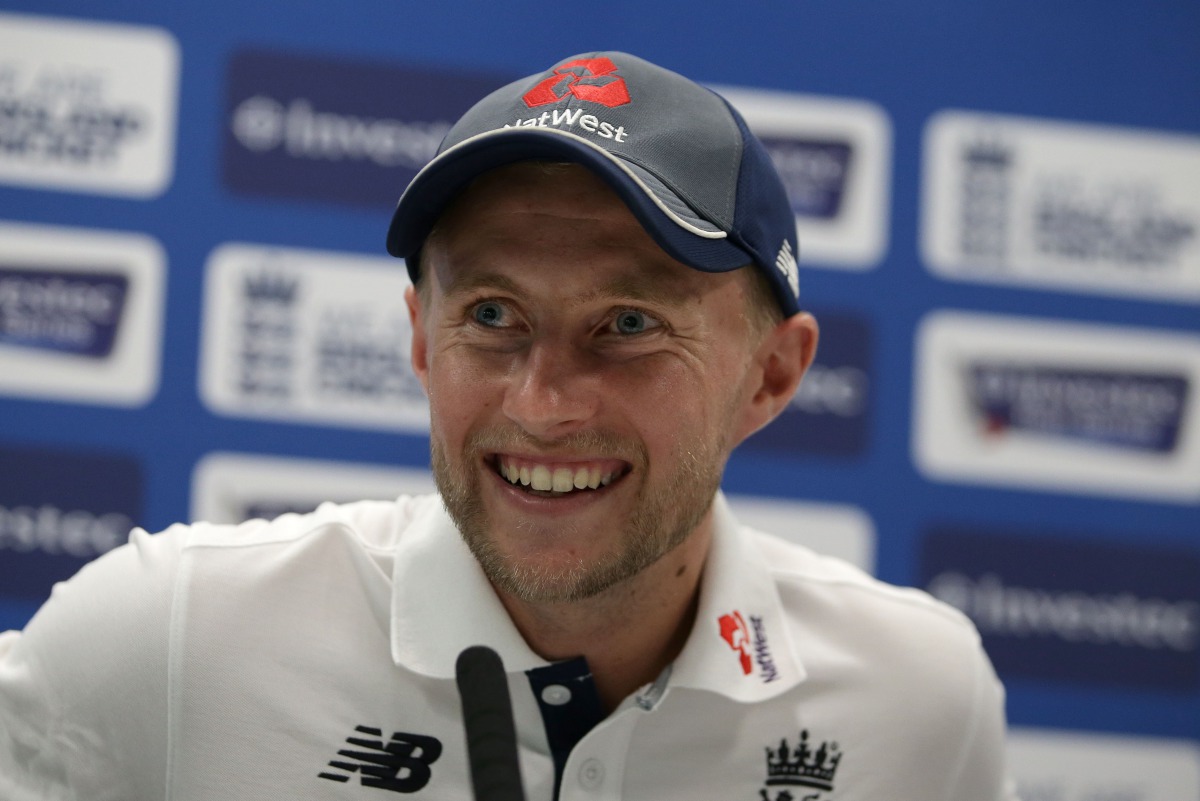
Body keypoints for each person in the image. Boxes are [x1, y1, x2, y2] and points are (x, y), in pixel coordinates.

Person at [0, 52, 1016, 800]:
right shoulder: (170, 634)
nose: (542, 403)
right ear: (420, 338)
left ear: (771, 375)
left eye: (628, 324)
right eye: (492, 315)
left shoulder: (917, 698)